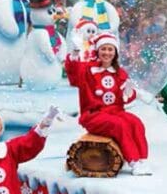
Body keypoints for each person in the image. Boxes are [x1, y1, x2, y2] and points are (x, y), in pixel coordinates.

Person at [65, 32, 151, 175]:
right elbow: (74, 74)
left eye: (110, 49)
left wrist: (130, 93)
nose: (107, 52)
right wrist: (75, 52)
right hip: (93, 115)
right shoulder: (88, 69)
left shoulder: (120, 73)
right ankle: (133, 161)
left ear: (115, 52)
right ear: (97, 51)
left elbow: (124, 98)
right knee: (119, 125)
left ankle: (142, 159)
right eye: (103, 49)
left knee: (136, 122)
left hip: (116, 111)